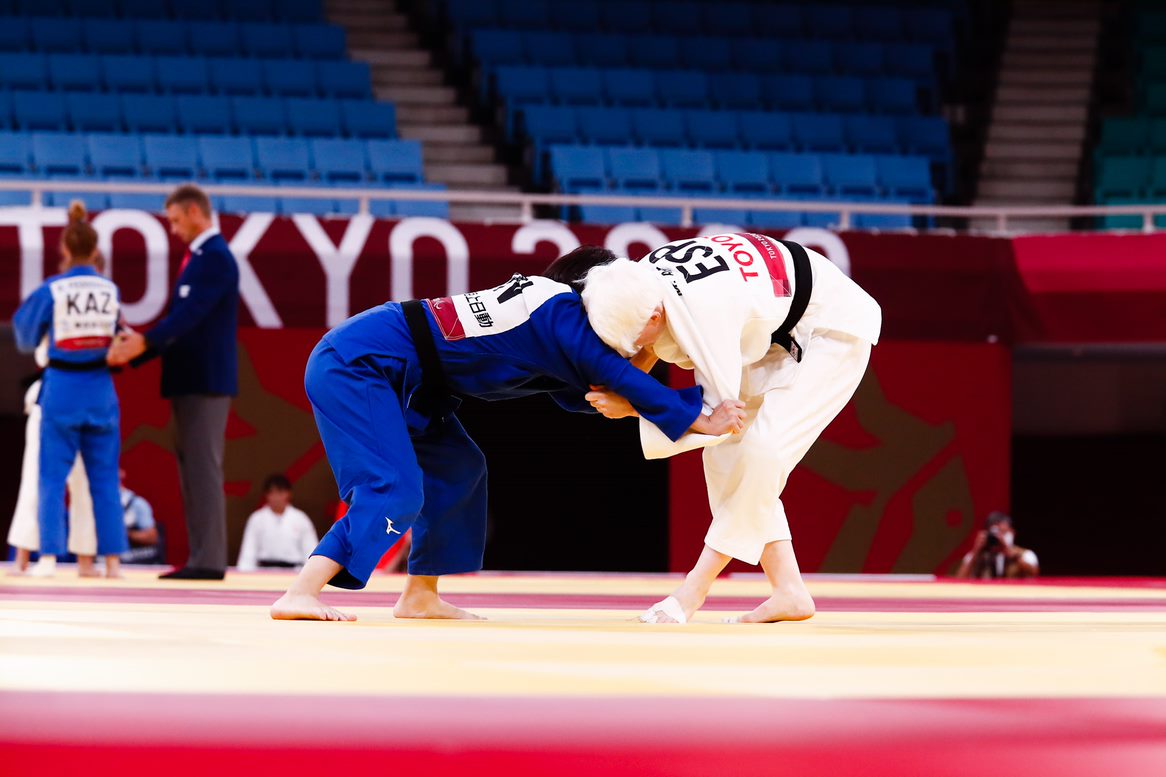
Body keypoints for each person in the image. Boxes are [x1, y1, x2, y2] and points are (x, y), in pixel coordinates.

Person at [269, 252, 746, 623]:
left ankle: (419, 595)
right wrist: (697, 417)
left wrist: (644, 371)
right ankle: (301, 592)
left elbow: (594, 395)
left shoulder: (552, 323)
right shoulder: (560, 312)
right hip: (360, 363)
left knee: (459, 469)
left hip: (411, 383)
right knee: (394, 490)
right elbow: (608, 372)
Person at [580, 234, 882, 624]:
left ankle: (693, 590)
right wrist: (622, 386)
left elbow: (719, 419)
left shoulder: (704, 311)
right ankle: (789, 591)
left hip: (830, 326)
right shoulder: (638, 282)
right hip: (774, 323)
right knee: (725, 457)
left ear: (654, 318)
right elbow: (651, 346)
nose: (629, 350)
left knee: (761, 450)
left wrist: (632, 406)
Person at [107, 184, 239, 581]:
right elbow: (179, 322)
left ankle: (210, 560)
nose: (174, 228)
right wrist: (139, 347)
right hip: (190, 380)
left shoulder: (215, 258)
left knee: (202, 469)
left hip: (204, 382)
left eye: (176, 220)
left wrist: (140, 345)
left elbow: (188, 319)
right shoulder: (199, 258)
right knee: (192, 470)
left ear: (196, 212)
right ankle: (202, 556)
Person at [11, 201, 128, 579]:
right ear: (96, 251)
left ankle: (47, 559)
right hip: (100, 390)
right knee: (105, 478)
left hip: (62, 388)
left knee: (51, 477)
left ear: (64, 249)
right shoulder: (110, 290)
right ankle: (111, 562)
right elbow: (119, 339)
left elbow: (25, 335)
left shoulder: (53, 289)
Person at [8, 353, 103, 577]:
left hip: (87, 396)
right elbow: (37, 348)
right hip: (51, 397)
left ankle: (85, 560)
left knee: (84, 484)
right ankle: (25, 558)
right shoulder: (48, 319)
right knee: (36, 480)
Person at [237, 474, 320, 572]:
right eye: (272, 493)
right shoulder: (257, 519)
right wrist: (244, 573)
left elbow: (310, 550)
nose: (276, 497)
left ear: (289, 493)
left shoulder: (301, 519)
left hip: (294, 571)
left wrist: (311, 573)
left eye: (280, 492)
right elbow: (248, 552)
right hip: (263, 572)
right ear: (266, 495)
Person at [956, 511, 1040, 580]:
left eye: (1003, 533)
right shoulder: (978, 555)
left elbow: (1034, 574)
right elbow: (959, 581)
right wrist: (976, 551)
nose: (999, 538)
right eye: (995, 534)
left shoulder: (1025, 554)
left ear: (1012, 533)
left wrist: (1010, 553)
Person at [119, 467, 163, 565]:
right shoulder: (94, 503)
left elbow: (152, 537)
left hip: (132, 561)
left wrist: (126, 534)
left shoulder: (136, 504)